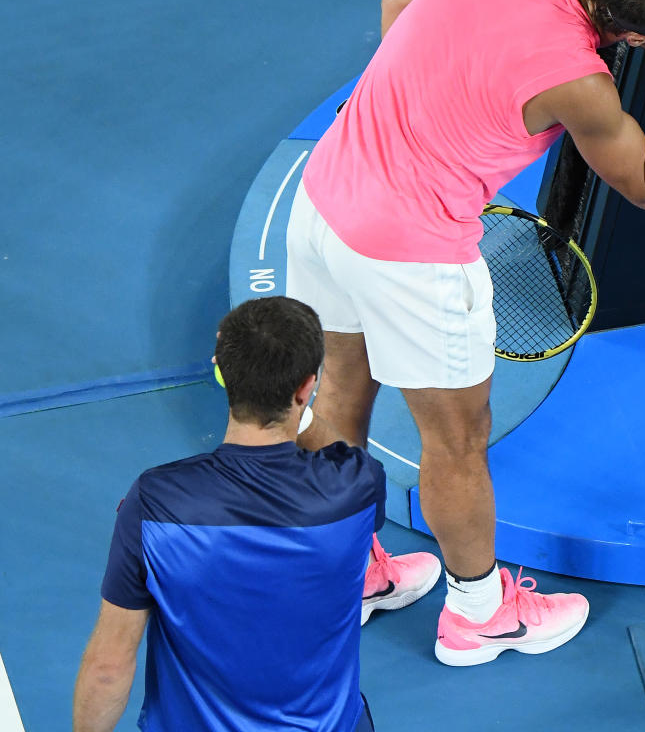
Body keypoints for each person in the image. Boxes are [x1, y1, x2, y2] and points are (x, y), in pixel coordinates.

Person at [285, 0, 645, 665]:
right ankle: (479, 617)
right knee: (456, 444)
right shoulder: (579, 82)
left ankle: (344, 576)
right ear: (639, 39)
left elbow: (397, 11)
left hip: (325, 199)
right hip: (409, 253)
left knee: (335, 402)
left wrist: (423, 132)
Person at [72, 297, 412, 732]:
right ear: (306, 388)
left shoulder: (156, 502)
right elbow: (339, 453)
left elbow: (108, 666)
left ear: (221, 370)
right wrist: (297, 407)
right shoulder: (356, 487)